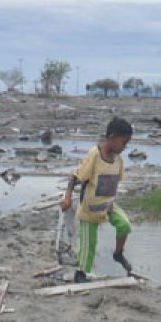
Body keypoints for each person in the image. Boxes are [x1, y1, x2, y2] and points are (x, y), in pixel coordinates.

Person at [60, 117, 134, 282]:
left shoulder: (118, 159)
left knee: (125, 225)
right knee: (88, 245)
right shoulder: (94, 155)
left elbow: (114, 182)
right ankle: (81, 273)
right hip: (89, 210)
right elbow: (75, 176)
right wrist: (67, 197)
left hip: (107, 206)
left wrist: (110, 201)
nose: (125, 147)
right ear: (112, 137)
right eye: (123, 142)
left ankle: (117, 254)